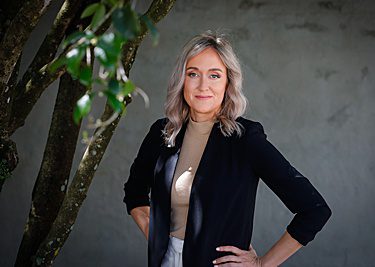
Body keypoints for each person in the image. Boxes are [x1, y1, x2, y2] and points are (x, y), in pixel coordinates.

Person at [123, 32, 331, 267]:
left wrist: (263, 264)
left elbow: (314, 210)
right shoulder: (162, 133)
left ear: (228, 83)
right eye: (193, 74)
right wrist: (158, 239)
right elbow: (134, 193)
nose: (203, 86)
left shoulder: (245, 140)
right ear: (181, 80)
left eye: (214, 75)